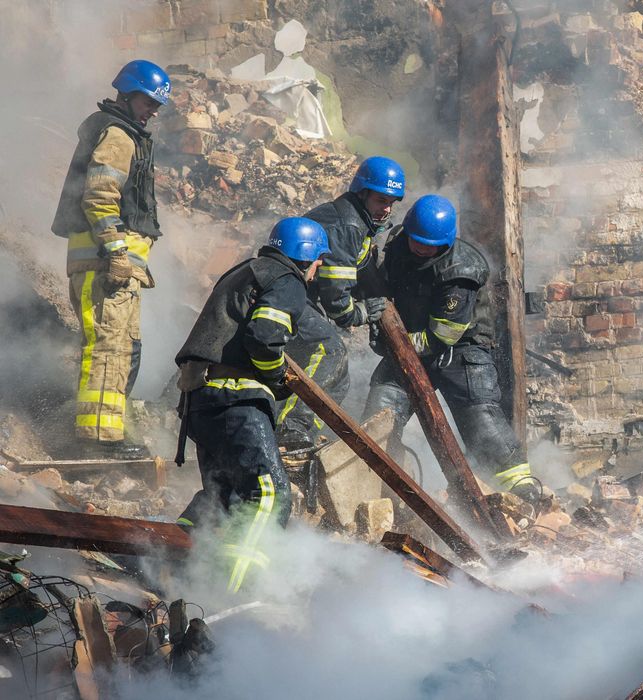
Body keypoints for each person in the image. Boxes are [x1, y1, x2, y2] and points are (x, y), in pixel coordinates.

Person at [173, 217, 329, 593]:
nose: (320, 266)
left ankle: (168, 572)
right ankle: (233, 595)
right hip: (236, 398)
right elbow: (264, 336)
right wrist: (277, 377)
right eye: (319, 259)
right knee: (269, 495)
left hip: (200, 400)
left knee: (220, 496)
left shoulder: (246, 271)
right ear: (306, 255)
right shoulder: (287, 280)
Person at [364, 194, 538, 502]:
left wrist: (396, 344)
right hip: (408, 340)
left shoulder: (462, 271)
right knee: (381, 408)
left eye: (428, 245)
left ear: (445, 243)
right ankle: (374, 485)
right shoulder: (398, 245)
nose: (420, 248)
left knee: (480, 417)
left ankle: (521, 487)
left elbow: (442, 336)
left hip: (460, 349)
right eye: (416, 240)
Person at [52, 59, 170, 458]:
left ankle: (109, 430)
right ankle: (98, 440)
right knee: (108, 348)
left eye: (157, 105)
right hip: (105, 265)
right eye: (149, 102)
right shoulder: (118, 135)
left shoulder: (123, 132)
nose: (153, 111)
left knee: (124, 349)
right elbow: (100, 197)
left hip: (116, 267)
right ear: (127, 94)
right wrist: (117, 251)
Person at [276, 156, 405, 450]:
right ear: (362, 193)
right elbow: (337, 301)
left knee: (339, 378)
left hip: (296, 293)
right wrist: (360, 314)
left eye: (391, 203)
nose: (386, 209)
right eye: (380, 200)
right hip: (289, 292)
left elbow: (361, 269)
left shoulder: (355, 220)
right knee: (330, 349)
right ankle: (292, 430)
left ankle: (301, 435)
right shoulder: (348, 225)